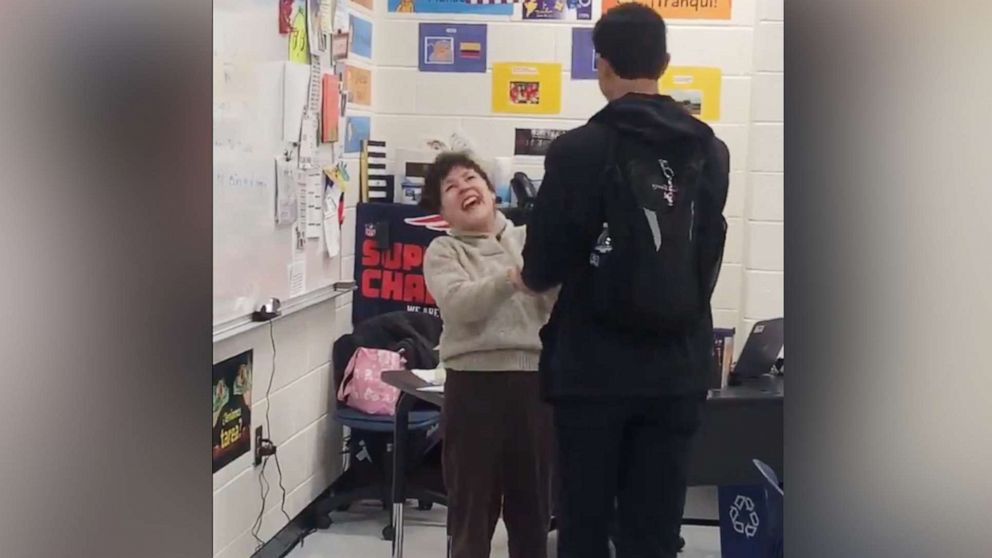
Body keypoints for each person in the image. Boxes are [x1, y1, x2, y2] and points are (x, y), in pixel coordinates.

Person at [516, 4, 731, 558]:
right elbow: (705, 252)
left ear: (601, 66)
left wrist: (525, 276)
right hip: (678, 367)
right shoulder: (711, 150)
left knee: (584, 525)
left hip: (592, 370)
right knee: (656, 531)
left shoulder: (578, 150)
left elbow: (542, 269)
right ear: (665, 62)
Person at [421, 152, 556, 558]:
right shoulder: (444, 251)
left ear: (491, 191)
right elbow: (459, 304)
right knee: (471, 512)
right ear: (443, 212)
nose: (464, 187)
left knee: (533, 511)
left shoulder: (532, 239)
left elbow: (558, 300)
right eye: (451, 187)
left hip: (534, 384)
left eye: (470, 178)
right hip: (473, 389)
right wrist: (512, 279)